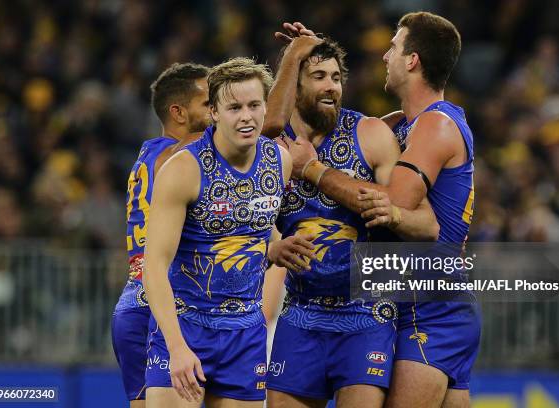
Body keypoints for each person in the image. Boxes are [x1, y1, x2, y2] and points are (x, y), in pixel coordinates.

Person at [280, 13, 481, 408]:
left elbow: (395, 201)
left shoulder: (435, 126)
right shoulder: (409, 123)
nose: (385, 55)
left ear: (412, 60)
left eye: (393, 46)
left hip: (428, 305)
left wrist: (313, 169)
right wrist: (298, 63)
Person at [260, 36, 439, 408]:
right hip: (301, 312)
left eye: (337, 77)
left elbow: (426, 225)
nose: (331, 86)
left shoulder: (371, 134)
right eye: (319, 76)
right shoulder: (272, 148)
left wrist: (391, 213)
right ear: (295, 86)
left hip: (366, 313)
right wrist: (272, 248)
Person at [143, 57, 314, 408]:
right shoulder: (183, 170)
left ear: (267, 107)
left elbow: (252, 229)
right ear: (215, 113)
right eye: (234, 107)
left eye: (254, 105)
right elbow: (154, 265)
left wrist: (274, 247)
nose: (246, 116)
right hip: (186, 327)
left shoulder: (279, 161)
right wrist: (176, 347)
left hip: (245, 333)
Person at [111, 62, 211, 408]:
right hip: (158, 306)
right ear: (178, 112)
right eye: (209, 102)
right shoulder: (179, 154)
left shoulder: (150, 154)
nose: (217, 110)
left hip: (136, 301)